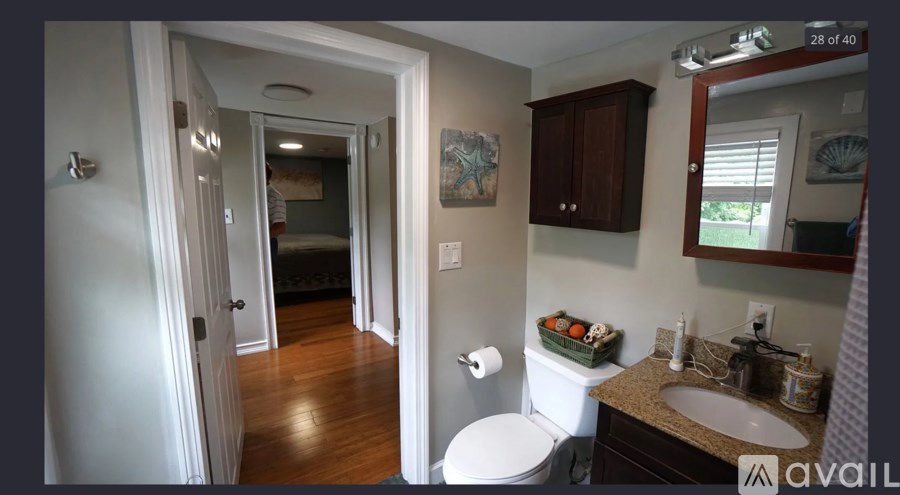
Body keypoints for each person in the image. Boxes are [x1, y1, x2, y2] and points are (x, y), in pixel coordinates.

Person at [266, 162, 287, 260]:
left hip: (268, 242)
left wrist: (259, 241)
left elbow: (280, 227)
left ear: (267, 177)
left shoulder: (274, 196)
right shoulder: (252, 193)